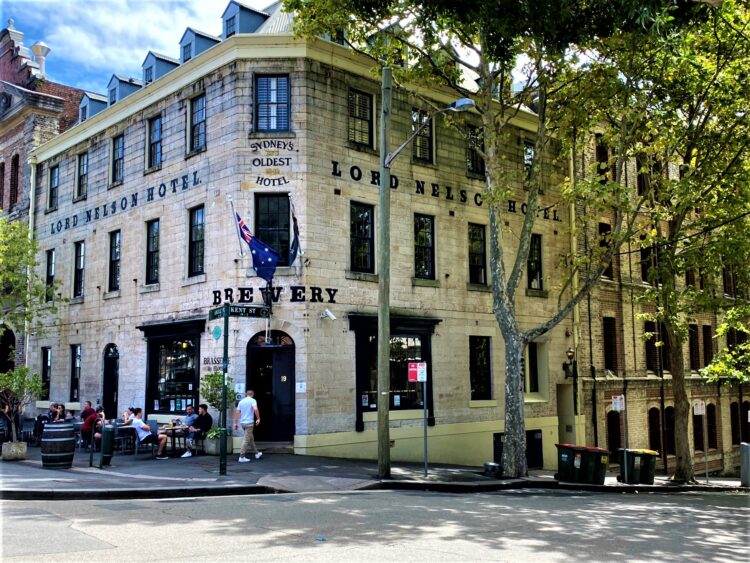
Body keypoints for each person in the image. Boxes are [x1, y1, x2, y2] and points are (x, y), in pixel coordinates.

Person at [233, 389, 262, 463]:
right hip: (249, 423)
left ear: (246, 394)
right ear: (253, 394)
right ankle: (241, 457)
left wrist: (236, 423)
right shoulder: (253, 400)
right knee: (246, 440)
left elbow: (237, 412)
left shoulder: (241, 401)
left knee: (250, 438)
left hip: (242, 423)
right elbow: (255, 409)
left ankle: (257, 453)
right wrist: (258, 418)